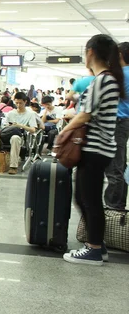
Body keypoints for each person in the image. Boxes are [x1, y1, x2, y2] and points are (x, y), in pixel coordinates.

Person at [62, 35, 124, 265]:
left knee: (88, 199)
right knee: (84, 196)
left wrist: (63, 132)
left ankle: (94, 248)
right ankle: (97, 244)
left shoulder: (102, 80)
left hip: (95, 148)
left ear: (90, 52)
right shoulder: (107, 79)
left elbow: (85, 114)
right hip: (99, 147)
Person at [102, 42, 129, 210]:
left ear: (119, 54)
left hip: (116, 123)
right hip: (124, 123)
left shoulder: (120, 75)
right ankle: (117, 206)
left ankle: (114, 208)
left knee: (114, 169)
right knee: (120, 165)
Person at [3, 92, 37, 175]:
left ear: (25, 102)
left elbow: (33, 130)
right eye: (16, 103)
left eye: (20, 103)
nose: (18, 105)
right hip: (7, 134)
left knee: (15, 138)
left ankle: (13, 166)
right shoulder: (11, 113)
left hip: (21, 137)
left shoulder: (31, 114)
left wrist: (20, 125)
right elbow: (4, 127)